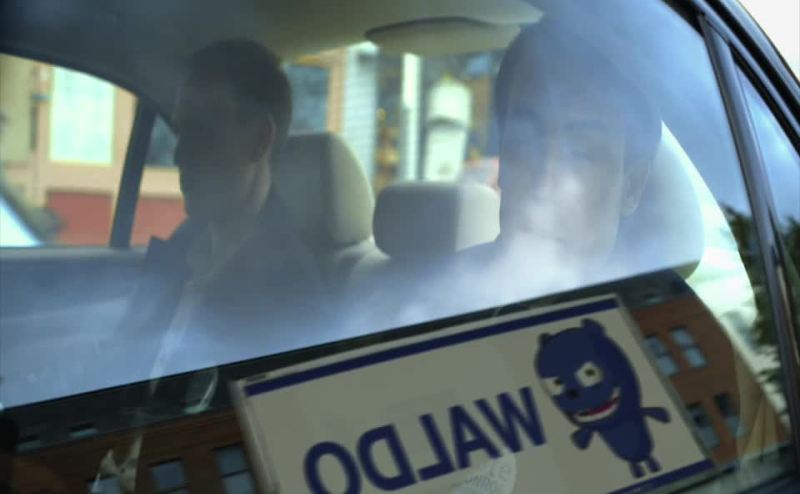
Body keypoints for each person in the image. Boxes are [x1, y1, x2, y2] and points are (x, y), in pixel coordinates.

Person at [119, 38, 330, 381]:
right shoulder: (184, 242)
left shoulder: (292, 295)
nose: (179, 155)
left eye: (201, 131)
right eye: (180, 132)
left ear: (259, 140)